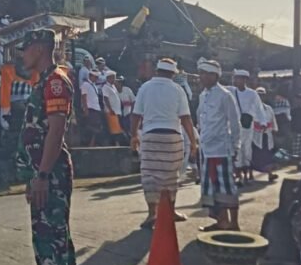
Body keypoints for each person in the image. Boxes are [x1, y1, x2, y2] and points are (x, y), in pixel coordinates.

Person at [12, 29, 78, 265]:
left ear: (39, 49)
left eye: (25, 50)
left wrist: (41, 174)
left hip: (49, 175)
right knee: (57, 240)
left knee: (49, 242)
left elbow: (56, 130)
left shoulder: (54, 81)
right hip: (45, 172)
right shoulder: (46, 81)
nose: (22, 56)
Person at [131, 58, 199, 229]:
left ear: (157, 71)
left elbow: (136, 115)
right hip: (172, 136)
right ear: (173, 74)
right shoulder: (177, 90)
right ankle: (170, 211)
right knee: (171, 176)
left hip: (150, 135)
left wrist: (133, 135)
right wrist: (193, 142)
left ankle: (152, 213)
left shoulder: (145, 88)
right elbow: (186, 118)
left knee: (149, 176)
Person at [196, 58, 243, 231]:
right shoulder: (203, 95)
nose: (202, 77)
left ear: (215, 76)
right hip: (207, 150)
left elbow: (235, 123)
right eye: (201, 73)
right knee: (212, 187)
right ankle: (221, 221)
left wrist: (235, 147)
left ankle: (235, 223)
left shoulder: (225, 95)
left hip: (222, 149)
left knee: (227, 186)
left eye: (206, 74)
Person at [229, 70, 263, 185]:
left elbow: (259, 108)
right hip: (234, 125)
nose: (237, 81)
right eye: (236, 78)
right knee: (236, 149)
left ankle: (248, 173)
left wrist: (262, 121)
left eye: (240, 78)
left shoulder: (252, 94)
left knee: (247, 149)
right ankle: (238, 175)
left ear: (245, 80)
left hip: (248, 125)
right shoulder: (230, 91)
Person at [251, 87, 280, 183]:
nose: (260, 97)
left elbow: (273, 120)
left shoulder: (268, 108)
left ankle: (270, 174)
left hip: (267, 135)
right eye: (259, 95)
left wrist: (274, 129)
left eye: (262, 95)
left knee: (267, 156)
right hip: (255, 136)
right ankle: (249, 175)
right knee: (253, 156)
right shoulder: (251, 108)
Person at [101, 70, 126, 146]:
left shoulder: (113, 87)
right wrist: (110, 109)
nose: (114, 80)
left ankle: (117, 143)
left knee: (118, 128)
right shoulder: (105, 87)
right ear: (109, 78)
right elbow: (105, 98)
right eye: (113, 78)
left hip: (117, 111)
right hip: (111, 111)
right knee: (115, 129)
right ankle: (115, 144)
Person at [79, 70, 103, 146]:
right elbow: (83, 97)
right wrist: (85, 109)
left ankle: (92, 143)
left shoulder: (94, 85)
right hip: (90, 108)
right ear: (90, 76)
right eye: (95, 77)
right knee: (90, 128)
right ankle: (87, 143)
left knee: (96, 127)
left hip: (96, 108)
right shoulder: (85, 84)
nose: (96, 78)